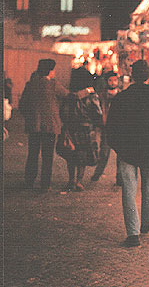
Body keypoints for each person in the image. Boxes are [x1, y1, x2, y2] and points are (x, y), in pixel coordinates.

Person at [106, 60, 149, 247]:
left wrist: (118, 146)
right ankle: (146, 222)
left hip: (127, 151)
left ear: (132, 76)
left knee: (128, 189)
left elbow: (110, 127)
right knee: (148, 187)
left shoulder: (121, 98)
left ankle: (132, 233)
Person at [19, 59, 68, 192]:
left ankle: (29, 181)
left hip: (34, 126)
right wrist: (86, 91)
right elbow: (69, 96)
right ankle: (45, 185)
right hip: (50, 127)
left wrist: (31, 117)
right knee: (47, 156)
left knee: (32, 154)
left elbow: (22, 105)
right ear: (50, 70)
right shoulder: (53, 85)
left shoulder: (30, 84)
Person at [60, 66, 103, 191]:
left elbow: (63, 112)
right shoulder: (91, 96)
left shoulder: (69, 95)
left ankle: (71, 180)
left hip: (71, 127)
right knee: (82, 155)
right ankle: (79, 181)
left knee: (71, 153)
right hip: (86, 129)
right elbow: (98, 112)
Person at [91, 71, 122, 184]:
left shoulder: (121, 94)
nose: (113, 83)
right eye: (110, 80)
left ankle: (119, 177)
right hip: (107, 127)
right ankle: (98, 173)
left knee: (120, 154)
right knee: (104, 152)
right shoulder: (101, 95)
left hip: (119, 127)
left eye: (115, 80)